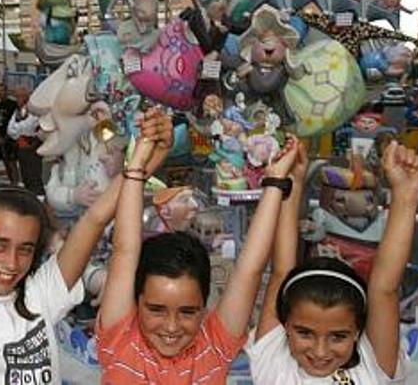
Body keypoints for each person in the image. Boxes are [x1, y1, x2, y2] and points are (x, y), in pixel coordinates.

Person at [0, 104, 172, 384]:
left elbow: (95, 219)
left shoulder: (40, 294)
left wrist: (147, 160)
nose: (11, 263)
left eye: (25, 248)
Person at [96, 130, 301, 384]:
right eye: (156, 310)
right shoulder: (120, 341)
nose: (171, 327)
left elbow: (250, 270)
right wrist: (136, 166)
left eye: (187, 312)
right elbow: (124, 252)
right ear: (135, 301)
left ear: (205, 306)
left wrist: (275, 182)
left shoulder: (214, 346)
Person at [249, 141, 418, 384]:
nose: (320, 352)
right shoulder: (274, 361)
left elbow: (385, 289)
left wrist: (406, 193)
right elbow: (281, 272)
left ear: (358, 332)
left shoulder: (370, 370)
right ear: (285, 324)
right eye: (305, 333)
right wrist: (293, 182)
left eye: (338, 336)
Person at [7, 85, 44, 195]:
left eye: (20, 96)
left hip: (32, 148)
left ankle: (39, 199)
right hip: (21, 148)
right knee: (26, 177)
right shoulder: (17, 111)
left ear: (27, 96)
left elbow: (29, 126)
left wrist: (18, 129)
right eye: (16, 96)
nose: (17, 99)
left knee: (34, 178)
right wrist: (20, 130)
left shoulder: (34, 109)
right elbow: (10, 130)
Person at [0, 82, 21, 185]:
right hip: (0, 138)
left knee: (12, 162)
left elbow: (17, 121)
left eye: (2, 90)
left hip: (10, 138)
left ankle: (15, 183)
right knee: (5, 162)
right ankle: (10, 182)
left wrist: (8, 136)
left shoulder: (13, 105)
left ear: (6, 91)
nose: (0, 93)